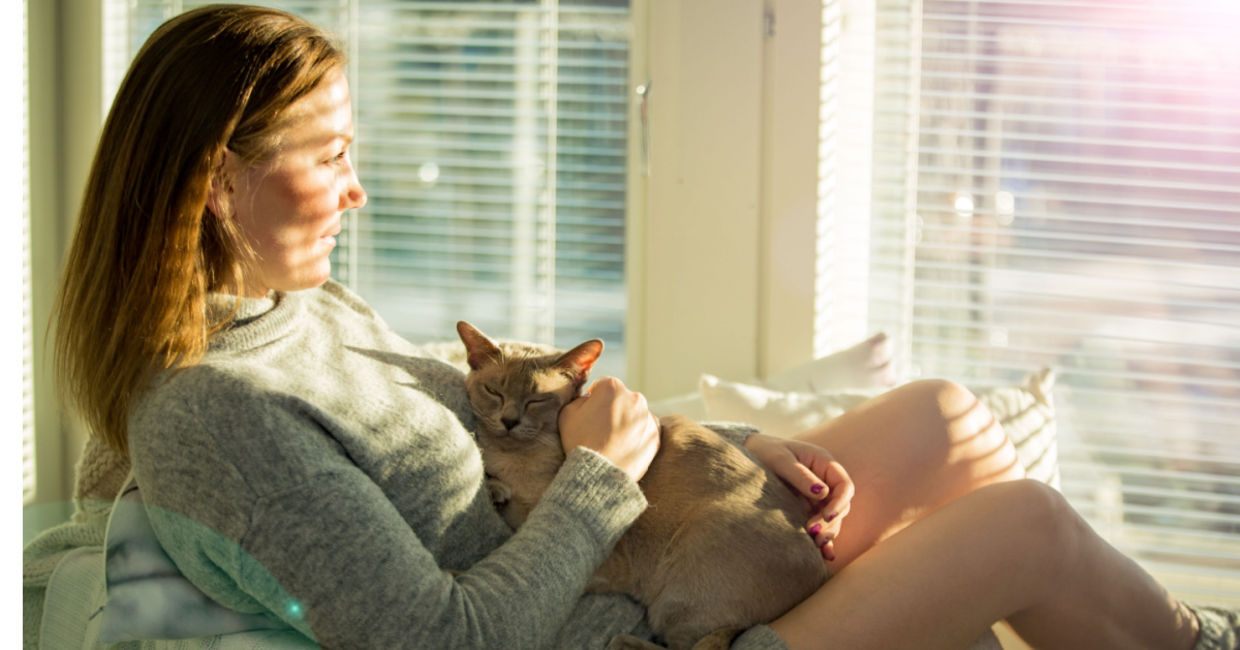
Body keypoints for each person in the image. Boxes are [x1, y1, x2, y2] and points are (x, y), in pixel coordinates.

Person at [35, 5, 1235, 649]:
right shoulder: (215, 411)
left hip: (638, 539)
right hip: (620, 624)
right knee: (1020, 522)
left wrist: (709, 447)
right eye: (333, 156)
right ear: (212, 181)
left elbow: (509, 423)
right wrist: (608, 479)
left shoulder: (305, 309)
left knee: (942, 417)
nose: (360, 189)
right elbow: (443, 638)